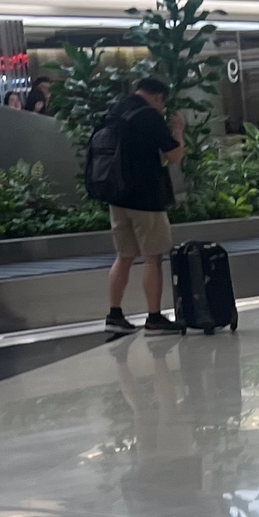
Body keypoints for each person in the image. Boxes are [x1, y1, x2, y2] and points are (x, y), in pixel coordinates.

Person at [103, 73, 183, 334]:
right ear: (158, 97)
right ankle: (154, 317)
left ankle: (115, 315)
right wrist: (178, 131)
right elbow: (174, 156)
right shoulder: (149, 115)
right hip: (146, 198)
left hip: (117, 195)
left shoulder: (116, 111)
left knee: (124, 256)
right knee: (152, 258)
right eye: (162, 103)